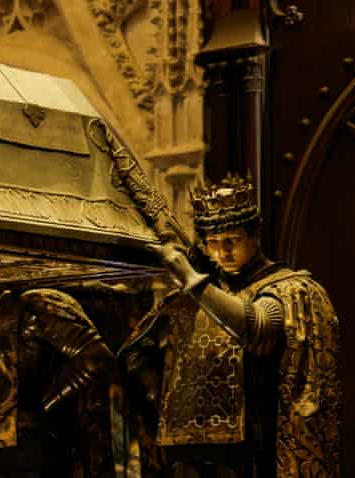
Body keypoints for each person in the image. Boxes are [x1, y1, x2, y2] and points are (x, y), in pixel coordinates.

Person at [121, 175, 341, 478]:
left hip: (254, 447)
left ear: (255, 235)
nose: (222, 252)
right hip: (190, 452)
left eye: (231, 241)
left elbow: (257, 328)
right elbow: (135, 352)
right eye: (212, 243)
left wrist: (192, 280)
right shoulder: (194, 297)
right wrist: (157, 398)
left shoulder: (288, 289)